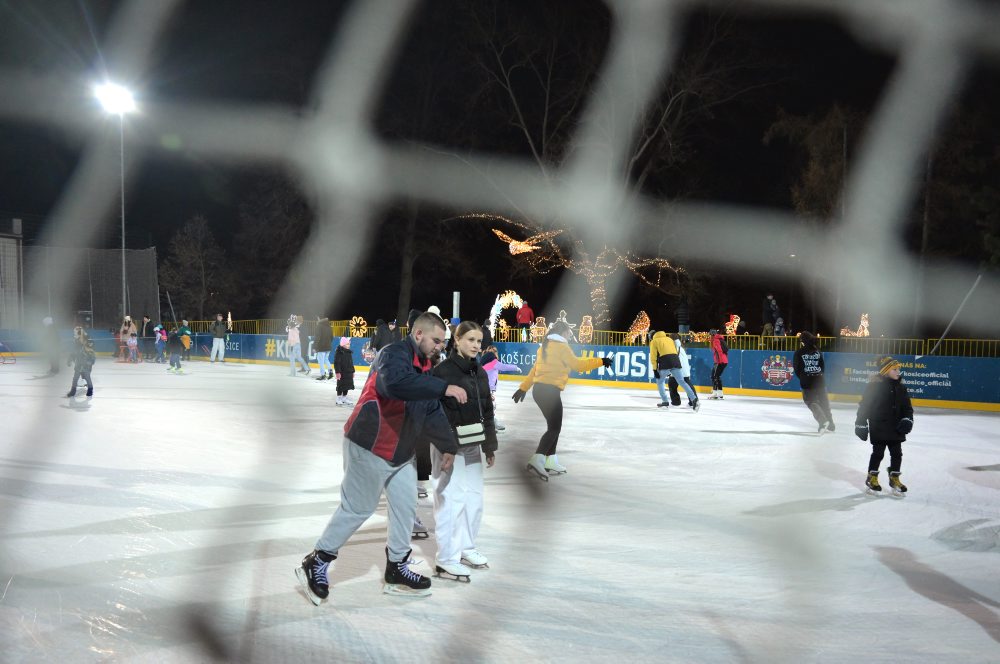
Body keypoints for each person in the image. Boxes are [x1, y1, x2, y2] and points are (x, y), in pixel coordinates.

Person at [296, 312, 466, 605]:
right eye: (436, 340)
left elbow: (430, 409)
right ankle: (318, 560)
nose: (441, 346)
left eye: (443, 342)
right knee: (357, 509)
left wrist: (448, 445)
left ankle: (397, 568)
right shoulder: (393, 355)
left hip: (400, 451)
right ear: (418, 335)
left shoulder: (426, 367)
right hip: (368, 444)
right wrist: (443, 387)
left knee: (405, 506)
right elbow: (394, 385)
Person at [431, 321, 499, 580]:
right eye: (470, 339)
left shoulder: (479, 372)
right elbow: (436, 413)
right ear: (457, 340)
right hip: (449, 447)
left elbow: (488, 411)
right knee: (451, 500)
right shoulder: (443, 372)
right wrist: (446, 446)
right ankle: (446, 558)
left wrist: (489, 445)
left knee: (474, 499)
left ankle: (466, 548)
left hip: (472, 445)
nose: (475, 345)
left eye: (479, 341)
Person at [512, 320, 611, 480]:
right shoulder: (562, 347)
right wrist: (601, 361)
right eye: (569, 333)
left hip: (539, 391)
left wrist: (523, 388)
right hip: (550, 392)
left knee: (553, 426)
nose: (570, 335)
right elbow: (578, 365)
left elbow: (534, 370)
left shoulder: (544, 346)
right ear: (564, 332)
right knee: (554, 428)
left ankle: (551, 460)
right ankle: (538, 458)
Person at [856, 356, 913, 495]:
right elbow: (864, 406)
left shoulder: (901, 387)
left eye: (898, 368)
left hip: (896, 427)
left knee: (897, 453)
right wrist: (861, 423)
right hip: (879, 426)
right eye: (895, 369)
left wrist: (907, 419)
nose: (898, 371)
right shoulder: (874, 387)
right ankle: (872, 478)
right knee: (878, 453)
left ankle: (894, 478)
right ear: (885, 371)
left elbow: (907, 407)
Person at [793, 331, 834, 433]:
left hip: (807, 381)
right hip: (820, 380)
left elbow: (797, 369)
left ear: (802, 341)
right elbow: (822, 367)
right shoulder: (817, 351)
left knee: (811, 402)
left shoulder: (799, 352)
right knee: (824, 403)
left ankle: (823, 421)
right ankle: (831, 424)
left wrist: (803, 377)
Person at [649, 329, 700, 411]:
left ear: (651, 337)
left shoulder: (654, 341)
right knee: (682, 382)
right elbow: (675, 351)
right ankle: (694, 399)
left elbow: (653, 357)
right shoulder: (669, 339)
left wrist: (655, 369)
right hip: (675, 361)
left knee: (660, 382)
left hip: (665, 361)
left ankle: (665, 402)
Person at [480, 345, 521, 431]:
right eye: (493, 352)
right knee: (491, 407)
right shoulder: (494, 362)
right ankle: (490, 425)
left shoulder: (485, 362)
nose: (494, 353)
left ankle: (490, 424)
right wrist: (516, 368)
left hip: (484, 387)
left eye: (495, 351)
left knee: (489, 407)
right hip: (488, 389)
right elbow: (504, 367)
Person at [65, 327, 95, 397]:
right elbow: (74, 352)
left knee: (87, 377)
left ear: (79, 333)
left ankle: (90, 390)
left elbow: (91, 352)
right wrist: (70, 359)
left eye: (75, 333)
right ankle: (73, 391)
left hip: (86, 364)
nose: (74, 334)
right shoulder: (76, 341)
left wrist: (91, 361)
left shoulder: (88, 341)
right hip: (78, 363)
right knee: (75, 378)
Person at [667, 333, 695, 407]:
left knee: (673, 385)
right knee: (676, 384)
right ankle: (693, 401)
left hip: (679, 369)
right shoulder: (679, 346)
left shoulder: (674, 346)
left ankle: (676, 401)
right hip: (683, 370)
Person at [334, 336, 356, 405]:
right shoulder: (339, 352)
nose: (348, 345)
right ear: (343, 345)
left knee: (347, 385)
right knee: (341, 385)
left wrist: (352, 371)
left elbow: (351, 362)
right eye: (347, 344)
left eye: (349, 344)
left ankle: (344, 397)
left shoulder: (349, 352)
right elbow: (337, 363)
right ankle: (338, 398)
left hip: (348, 372)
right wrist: (338, 372)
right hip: (342, 372)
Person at [709, 329, 729, 399]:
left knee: (715, 376)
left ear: (712, 335)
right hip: (722, 361)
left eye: (710, 335)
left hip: (720, 361)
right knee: (715, 376)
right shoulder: (719, 339)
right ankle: (719, 393)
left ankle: (716, 393)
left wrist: (719, 361)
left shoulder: (715, 340)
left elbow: (719, 351)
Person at [314, 317, 333, 381]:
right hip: (328, 347)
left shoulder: (319, 326)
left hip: (321, 347)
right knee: (326, 360)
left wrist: (315, 346)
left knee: (321, 362)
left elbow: (317, 337)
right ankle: (330, 372)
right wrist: (328, 344)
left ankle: (323, 375)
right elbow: (332, 337)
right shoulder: (329, 326)